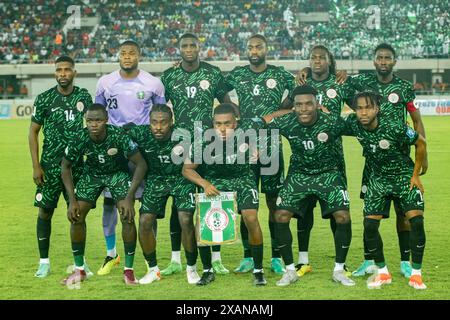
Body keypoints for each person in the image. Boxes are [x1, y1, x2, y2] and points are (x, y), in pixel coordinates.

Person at [182, 103, 290, 286]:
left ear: (236, 123)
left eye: (227, 124)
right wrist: (205, 184)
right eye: (218, 124)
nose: (222, 129)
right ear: (213, 124)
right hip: (215, 182)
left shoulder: (249, 128)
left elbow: (270, 117)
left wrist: (294, 109)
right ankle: (208, 271)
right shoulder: (204, 141)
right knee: (202, 223)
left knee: (251, 217)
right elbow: (187, 169)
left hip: (243, 179)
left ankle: (258, 270)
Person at [347, 44, 427, 278]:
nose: (383, 61)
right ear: (373, 61)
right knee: (369, 213)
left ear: (394, 61)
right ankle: (369, 260)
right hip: (372, 161)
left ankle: (404, 261)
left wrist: (425, 156)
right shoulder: (362, 83)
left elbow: (416, 119)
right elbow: (337, 82)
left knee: (404, 213)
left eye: (387, 58)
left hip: (399, 157)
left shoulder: (403, 87)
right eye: (379, 58)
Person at [223, 34, 295, 275]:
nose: (254, 50)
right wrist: (235, 110)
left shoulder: (280, 74)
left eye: (259, 47)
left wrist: (282, 108)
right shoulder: (238, 74)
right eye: (251, 47)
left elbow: (299, 91)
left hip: (272, 145)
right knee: (245, 204)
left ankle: (275, 255)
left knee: (273, 201)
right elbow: (219, 91)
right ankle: (248, 256)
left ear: (266, 49)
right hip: (243, 146)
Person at [160, 33, 231, 276]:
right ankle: (175, 259)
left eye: (193, 45)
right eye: (184, 46)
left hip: (209, 143)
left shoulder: (212, 73)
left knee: (212, 198)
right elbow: (159, 109)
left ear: (199, 48)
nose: (189, 49)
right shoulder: (169, 76)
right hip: (180, 142)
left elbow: (226, 104)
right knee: (178, 201)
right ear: (178, 49)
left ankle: (217, 257)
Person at [94, 39, 165, 276]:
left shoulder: (153, 83)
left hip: (142, 151)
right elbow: (98, 115)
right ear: (118, 56)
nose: (127, 57)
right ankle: (112, 253)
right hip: (114, 151)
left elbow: (161, 114)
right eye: (123, 53)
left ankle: (148, 257)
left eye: (131, 53)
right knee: (110, 202)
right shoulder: (105, 83)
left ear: (139, 55)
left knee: (147, 205)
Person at [271, 85, 354, 287]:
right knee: (280, 215)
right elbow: (258, 125)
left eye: (309, 103)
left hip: (329, 173)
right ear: (294, 107)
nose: (304, 109)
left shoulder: (332, 121)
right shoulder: (286, 122)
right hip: (299, 174)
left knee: (343, 216)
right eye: (299, 105)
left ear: (317, 104)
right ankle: (290, 270)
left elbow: (363, 127)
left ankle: (339, 270)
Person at [61, 103, 147, 286]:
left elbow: (141, 164)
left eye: (98, 120)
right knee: (76, 216)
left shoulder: (118, 136)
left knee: (127, 216)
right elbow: (65, 167)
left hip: (117, 174)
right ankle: (80, 270)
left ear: (106, 120)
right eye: (90, 120)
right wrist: (72, 200)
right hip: (92, 175)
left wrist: (130, 197)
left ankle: (128, 271)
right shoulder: (79, 138)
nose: (94, 124)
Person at [292, 45, 354, 277]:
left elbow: (360, 105)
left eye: (322, 58)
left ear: (330, 60)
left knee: (336, 210)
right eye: (313, 58)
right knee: (303, 211)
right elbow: (288, 108)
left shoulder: (340, 83)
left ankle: (340, 263)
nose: (317, 61)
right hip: (303, 158)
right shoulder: (301, 82)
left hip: (333, 159)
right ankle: (303, 260)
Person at [29, 55, 92, 278]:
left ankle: (81, 263)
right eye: (59, 70)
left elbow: (92, 127)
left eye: (67, 70)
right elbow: (33, 133)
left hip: (76, 168)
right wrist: (36, 166)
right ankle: (44, 262)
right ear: (54, 73)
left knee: (78, 214)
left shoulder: (84, 96)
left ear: (74, 72)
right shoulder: (44, 99)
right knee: (45, 212)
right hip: (50, 167)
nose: (62, 73)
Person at [126, 104, 200, 284]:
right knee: (144, 221)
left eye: (163, 122)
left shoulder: (185, 134)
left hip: (181, 177)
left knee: (185, 219)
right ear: (149, 122)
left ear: (171, 122)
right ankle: (153, 270)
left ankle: (191, 268)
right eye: (154, 122)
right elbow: (118, 132)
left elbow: (206, 139)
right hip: (156, 179)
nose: (158, 127)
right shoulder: (141, 133)